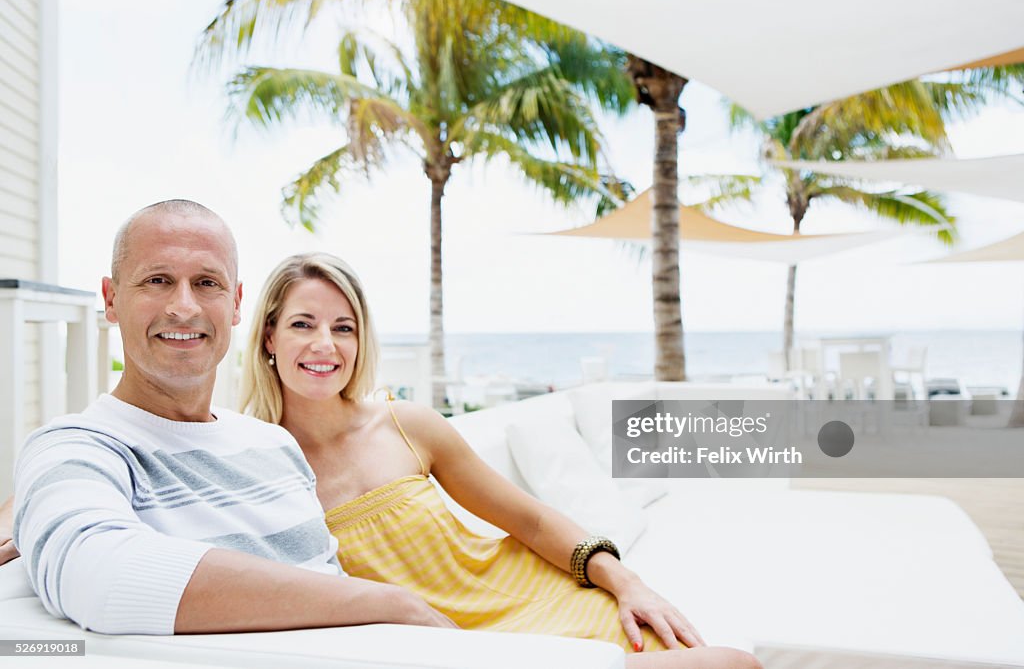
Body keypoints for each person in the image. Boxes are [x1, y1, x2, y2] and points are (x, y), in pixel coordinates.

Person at [239, 252, 761, 669]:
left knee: (735, 665)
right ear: (269, 336)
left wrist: (629, 583)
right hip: (452, 649)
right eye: (303, 324)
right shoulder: (257, 465)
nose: (324, 344)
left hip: (536, 598)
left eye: (343, 327)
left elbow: (530, 519)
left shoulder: (406, 424)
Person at [9, 200, 454, 634]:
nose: (184, 307)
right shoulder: (77, 447)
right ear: (111, 299)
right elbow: (99, 577)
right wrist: (389, 602)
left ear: (237, 303)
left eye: (207, 283)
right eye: (158, 280)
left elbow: (325, 572)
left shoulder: (274, 444)